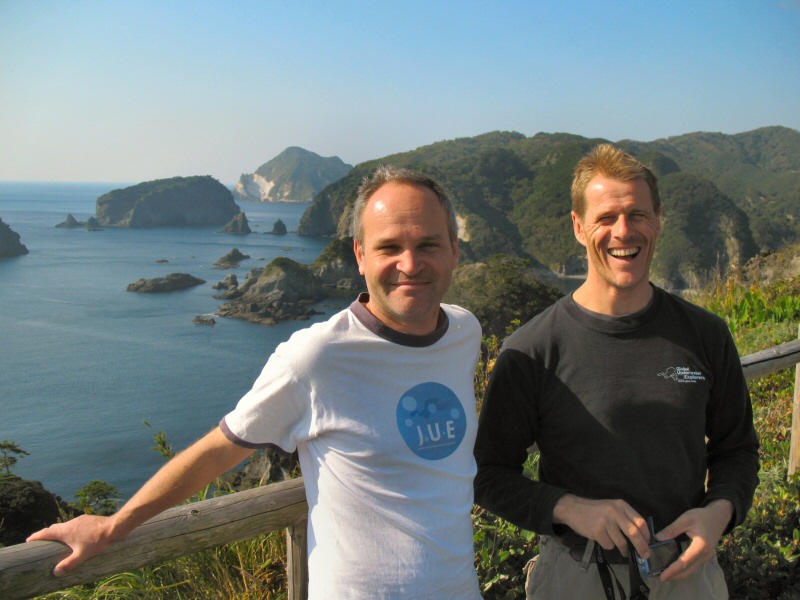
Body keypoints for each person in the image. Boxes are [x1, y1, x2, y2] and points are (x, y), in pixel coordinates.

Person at [29, 165, 484, 599]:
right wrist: (115, 524)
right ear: (360, 255)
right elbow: (220, 450)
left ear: (455, 251)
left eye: (428, 245)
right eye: (389, 247)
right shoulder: (315, 358)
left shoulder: (465, 332)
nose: (410, 264)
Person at [473, 144, 759, 600]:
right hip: (575, 577)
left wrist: (718, 511)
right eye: (606, 217)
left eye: (637, 214)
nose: (623, 231)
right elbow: (487, 474)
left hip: (687, 574)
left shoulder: (705, 335)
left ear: (659, 220)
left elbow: (738, 449)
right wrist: (568, 508)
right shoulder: (531, 350)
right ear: (578, 226)